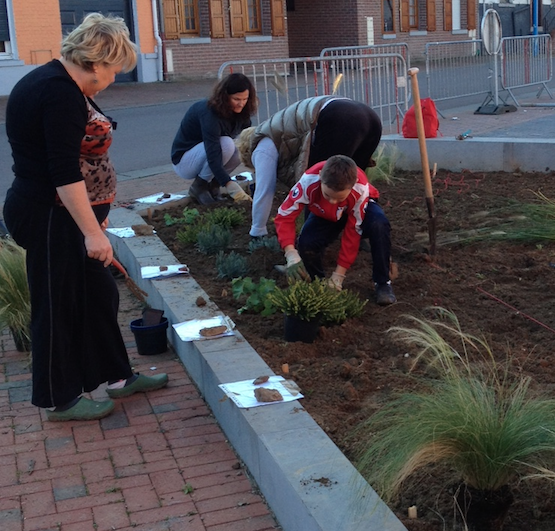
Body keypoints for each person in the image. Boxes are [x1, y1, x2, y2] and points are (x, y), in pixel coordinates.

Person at [2, 13, 168, 421]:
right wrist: (93, 233)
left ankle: (116, 376)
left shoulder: (62, 82)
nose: (113, 79)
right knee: (56, 305)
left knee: (100, 294)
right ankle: (60, 399)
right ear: (96, 60)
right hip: (47, 215)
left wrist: (95, 221)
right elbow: (63, 173)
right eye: (113, 70)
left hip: (65, 215)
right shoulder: (57, 93)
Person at [236, 96, 382, 238]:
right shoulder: (276, 130)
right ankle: (367, 233)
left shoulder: (262, 147)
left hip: (340, 117)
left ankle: (310, 245)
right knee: (354, 183)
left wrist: (257, 229)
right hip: (369, 117)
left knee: (320, 182)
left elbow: (265, 189)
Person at [274, 155, 396, 306]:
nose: (332, 201)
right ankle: (317, 281)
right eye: (328, 195)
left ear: (352, 186)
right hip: (325, 214)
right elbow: (284, 216)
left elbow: (352, 233)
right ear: (320, 178)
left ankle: (383, 282)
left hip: (356, 208)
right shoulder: (308, 181)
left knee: (379, 224)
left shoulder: (360, 188)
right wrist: (291, 254)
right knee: (306, 243)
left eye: (338, 198)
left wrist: (339, 275)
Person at [171, 73, 256, 206]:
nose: (241, 104)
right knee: (227, 145)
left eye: (245, 99)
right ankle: (199, 187)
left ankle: (213, 187)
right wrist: (229, 184)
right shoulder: (209, 113)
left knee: (238, 148)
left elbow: (246, 146)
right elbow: (213, 152)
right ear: (224, 96)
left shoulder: (242, 115)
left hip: (207, 154)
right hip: (184, 161)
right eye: (236, 99)